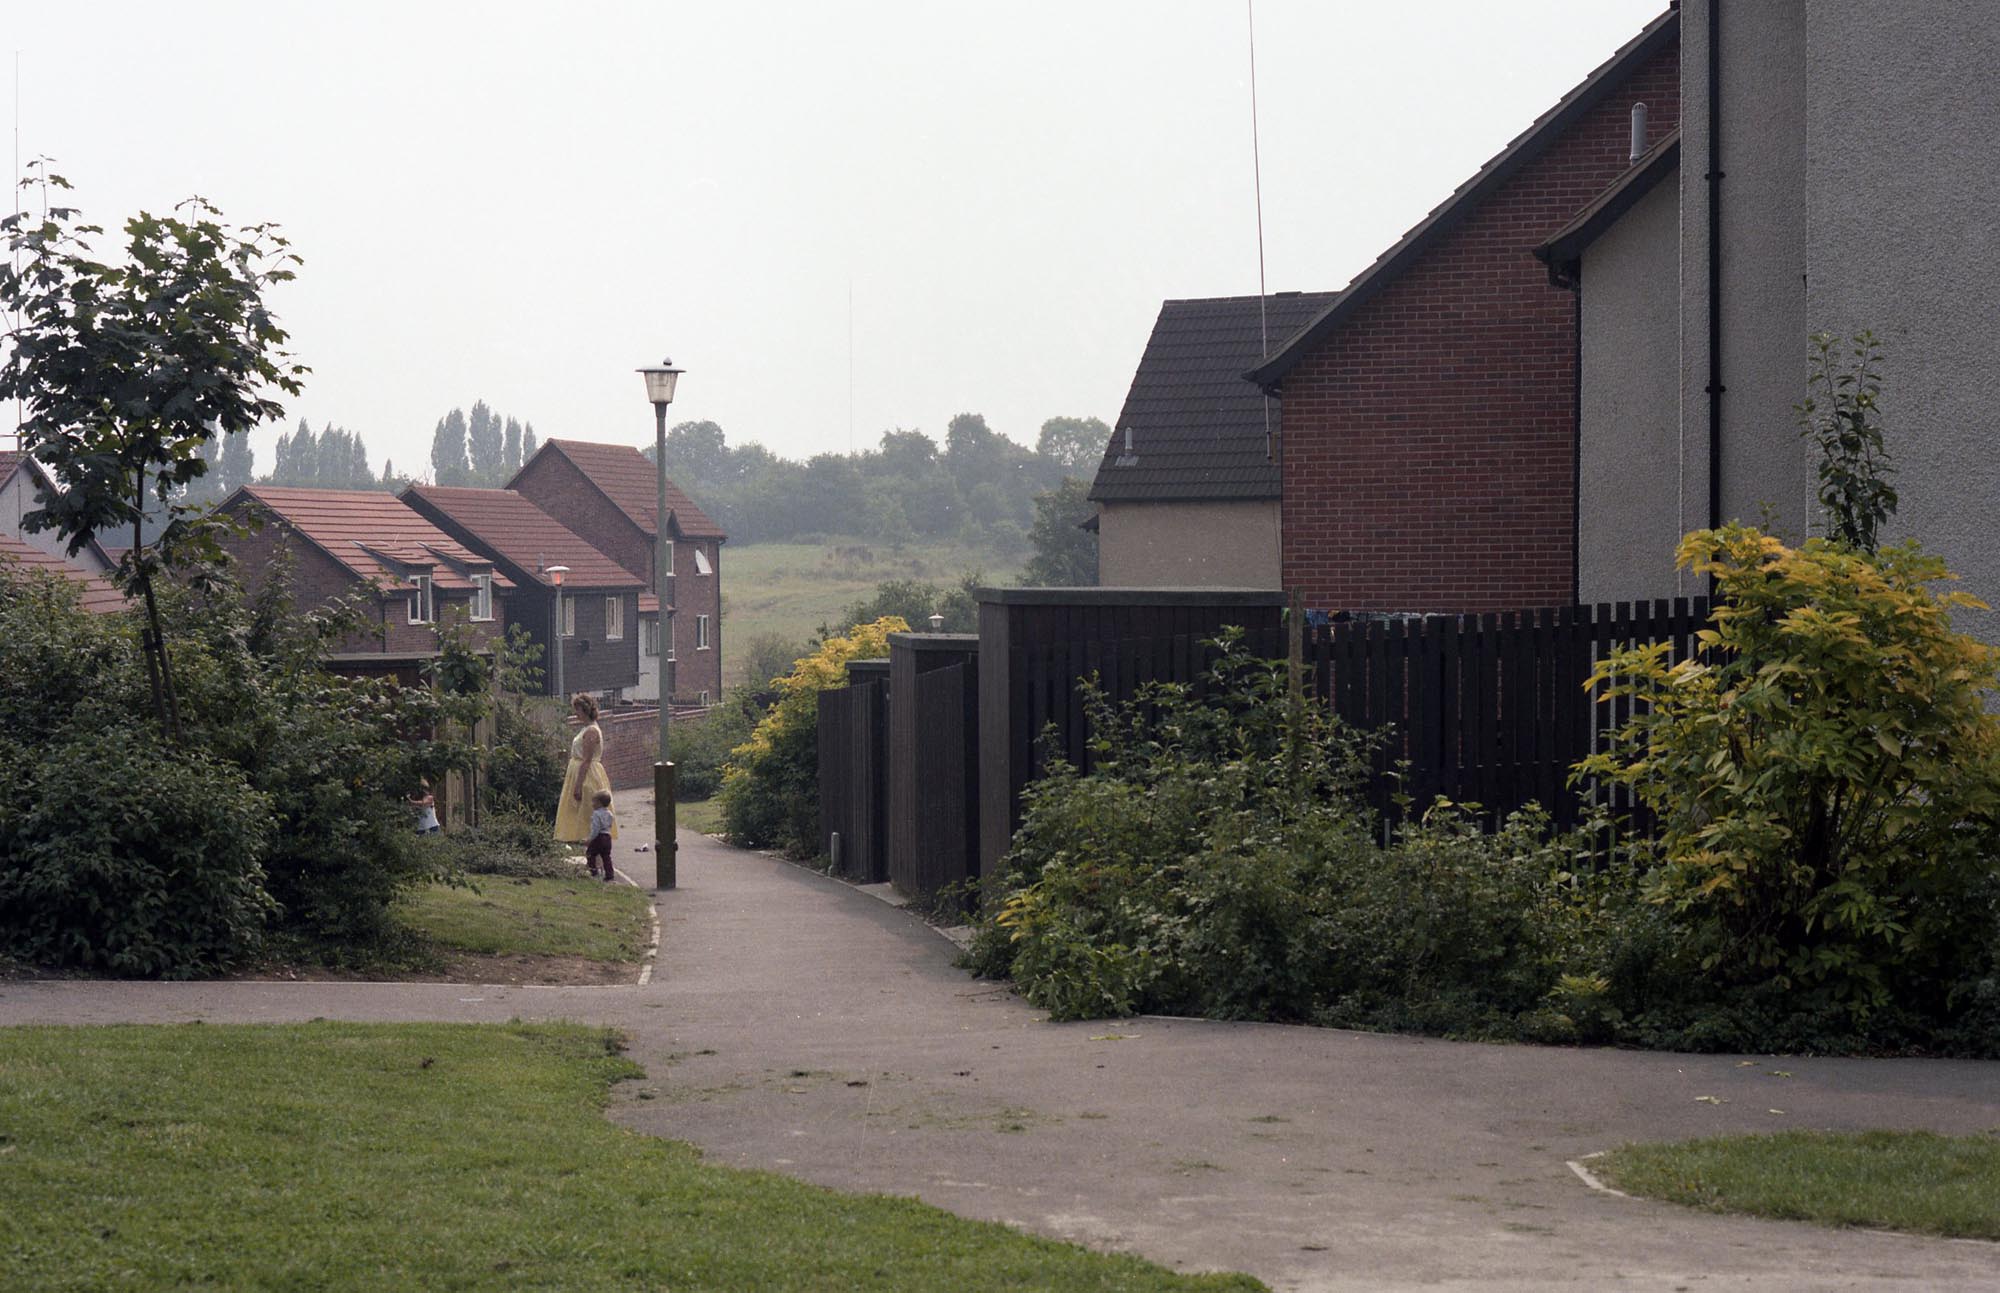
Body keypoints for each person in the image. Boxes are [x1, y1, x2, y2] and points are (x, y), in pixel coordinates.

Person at [554, 693, 615, 848]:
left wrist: (578, 785)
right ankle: (590, 857)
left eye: (578, 710)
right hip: (579, 774)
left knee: (587, 814)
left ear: (585, 710)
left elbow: (587, 760)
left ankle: (596, 858)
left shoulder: (591, 731)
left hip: (587, 777)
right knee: (578, 814)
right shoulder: (587, 729)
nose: (576, 714)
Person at [585, 790, 616, 882]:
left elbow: (595, 829)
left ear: (599, 803)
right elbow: (610, 825)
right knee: (606, 856)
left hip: (599, 837)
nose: (592, 804)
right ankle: (609, 874)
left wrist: (590, 839)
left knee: (590, 854)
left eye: (593, 802)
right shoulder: (610, 814)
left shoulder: (596, 814)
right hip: (607, 837)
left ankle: (593, 872)